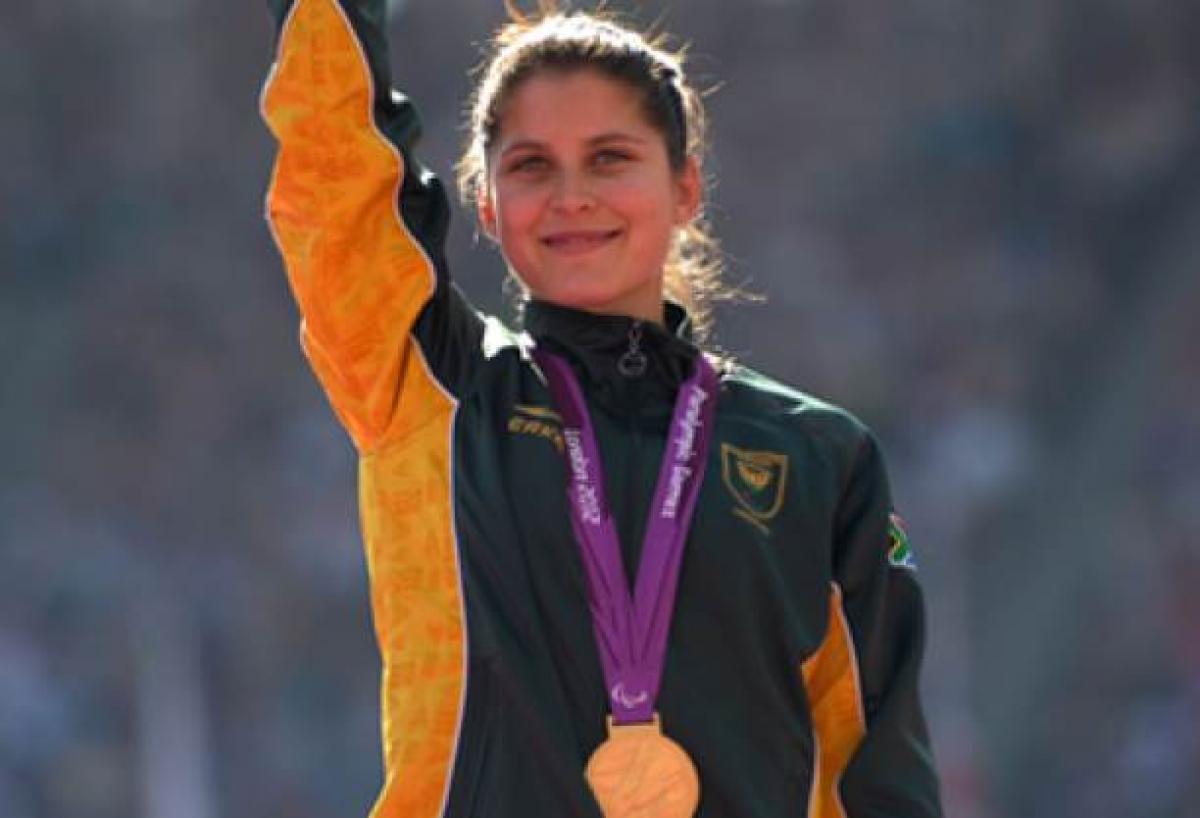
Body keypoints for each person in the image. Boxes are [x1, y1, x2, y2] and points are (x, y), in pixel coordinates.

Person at [260, 0, 944, 816]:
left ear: (686, 186)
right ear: (486, 204)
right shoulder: (433, 392)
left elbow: (880, 771)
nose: (571, 197)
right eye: (531, 167)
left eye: (610, 158)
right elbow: (337, 170)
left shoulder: (820, 459)